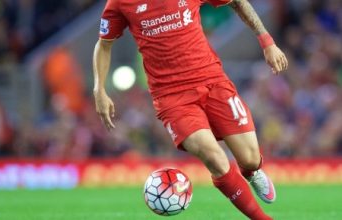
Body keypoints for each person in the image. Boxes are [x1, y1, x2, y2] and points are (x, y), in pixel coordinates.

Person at [92, 0, 288, 219]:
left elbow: (238, 2)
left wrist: (267, 42)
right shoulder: (120, 2)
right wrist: (99, 89)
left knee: (250, 158)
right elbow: (104, 44)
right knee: (214, 159)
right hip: (172, 97)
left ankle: (250, 171)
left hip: (213, 82)